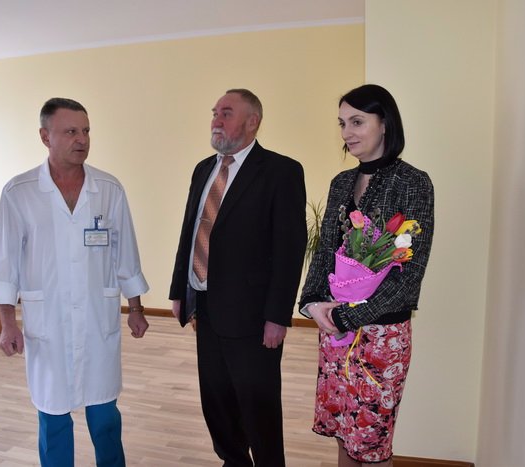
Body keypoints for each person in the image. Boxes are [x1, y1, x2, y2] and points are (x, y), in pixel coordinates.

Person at [0, 97, 149, 467]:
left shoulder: (109, 188)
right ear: (45, 136)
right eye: (71, 131)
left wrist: (136, 308)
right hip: (49, 323)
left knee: (105, 415)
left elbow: (125, 252)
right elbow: (5, 264)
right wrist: (8, 323)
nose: (82, 139)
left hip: (97, 318)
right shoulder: (19, 192)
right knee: (53, 416)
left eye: (86, 130)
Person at [169, 89, 307, 466]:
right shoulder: (204, 169)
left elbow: (289, 248)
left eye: (226, 113)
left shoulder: (281, 171)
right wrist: (180, 290)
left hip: (253, 318)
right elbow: (190, 232)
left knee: (258, 408)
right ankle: (233, 461)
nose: (216, 120)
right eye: (214, 113)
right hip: (206, 309)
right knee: (216, 402)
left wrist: (277, 316)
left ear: (252, 121)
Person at [299, 84, 434, 467]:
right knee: (345, 434)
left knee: (373, 446)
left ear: (385, 123)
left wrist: (347, 316)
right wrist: (312, 303)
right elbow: (325, 251)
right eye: (342, 123)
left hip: (382, 337)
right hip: (335, 333)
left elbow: (410, 274)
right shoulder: (341, 182)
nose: (347, 132)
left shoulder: (413, 182)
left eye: (357, 122)